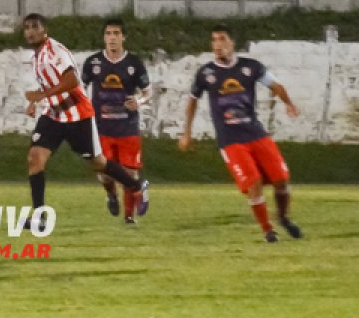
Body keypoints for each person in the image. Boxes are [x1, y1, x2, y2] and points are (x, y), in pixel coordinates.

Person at [179, 24, 302, 243]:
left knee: (281, 179)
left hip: (256, 134)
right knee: (253, 183)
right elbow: (192, 101)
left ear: (231, 43)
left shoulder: (250, 67)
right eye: (214, 40)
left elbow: (275, 85)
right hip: (230, 140)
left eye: (222, 39)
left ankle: (283, 218)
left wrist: (289, 103)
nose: (218, 45)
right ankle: (268, 230)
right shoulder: (206, 73)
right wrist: (186, 133)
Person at [22, 13, 149, 225]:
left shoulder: (55, 51)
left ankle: (136, 186)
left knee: (99, 163)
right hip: (53, 115)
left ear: (45, 30)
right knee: (35, 158)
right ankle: (40, 217)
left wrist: (42, 96)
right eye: (27, 27)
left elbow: (71, 80)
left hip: (77, 115)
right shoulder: (37, 56)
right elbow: (50, 85)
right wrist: (36, 101)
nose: (30, 31)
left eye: (35, 26)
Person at [81, 18, 151, 224]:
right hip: (101, 128)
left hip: (127, 127)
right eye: (108, 34)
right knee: (105, 175)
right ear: (104, 38)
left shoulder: (134, 63)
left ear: (123, 37)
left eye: (116, 34)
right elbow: (79, 87)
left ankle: (129, 217)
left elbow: (148, 92)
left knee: (130, 173)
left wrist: (139, 101)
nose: (112, 38)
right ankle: (111, 194)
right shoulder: (93, 62)